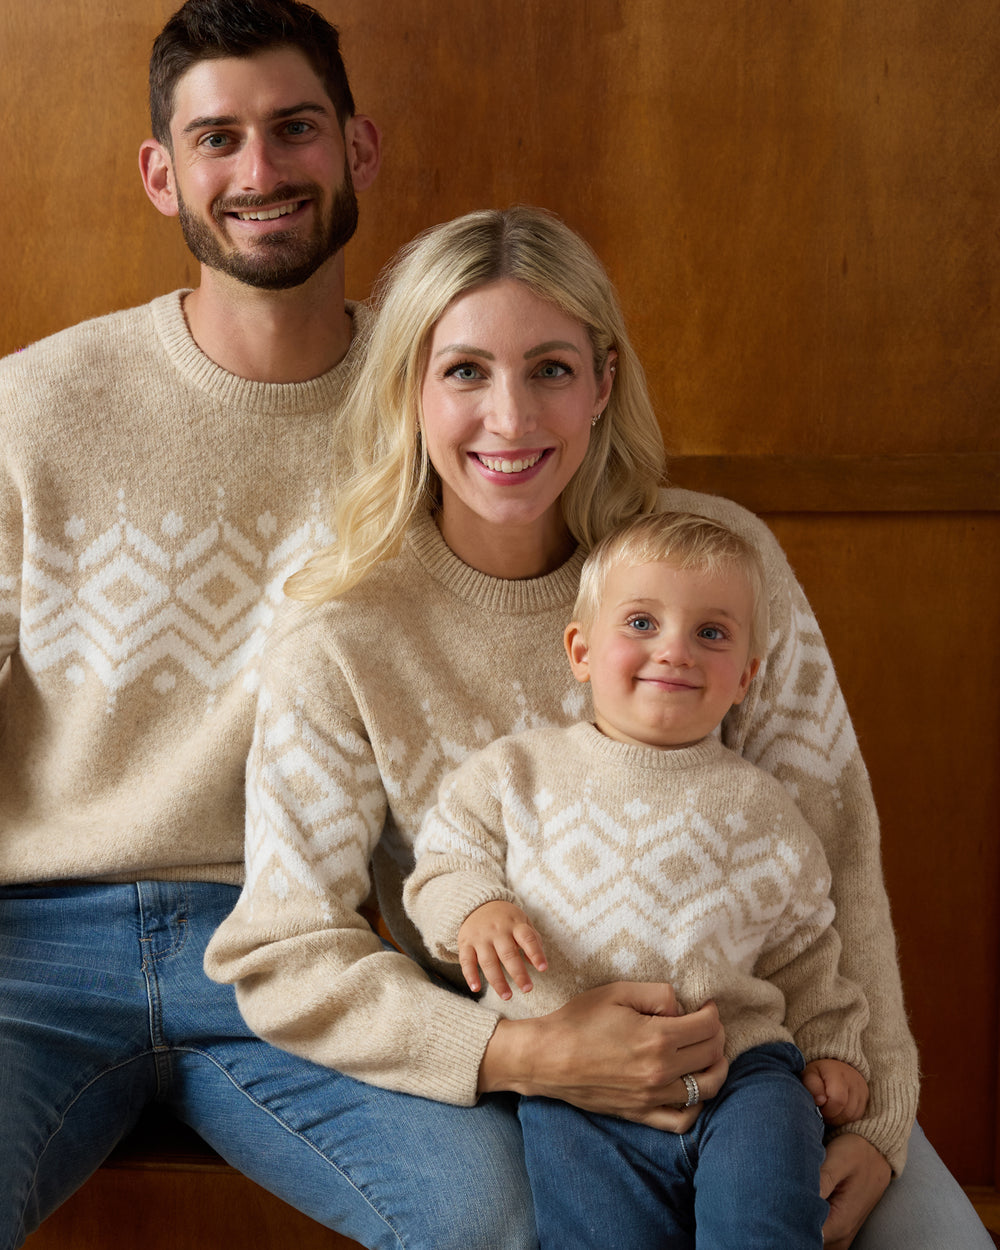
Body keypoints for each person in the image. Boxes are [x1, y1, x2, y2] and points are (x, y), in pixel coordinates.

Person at [205, 204, 991, 1249]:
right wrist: (520, 1053)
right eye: (465, 371)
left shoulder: (716, 567)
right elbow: (286, 951)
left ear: (603, 382)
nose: (511, 417)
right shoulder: (342, 627)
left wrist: (880, 1115)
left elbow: (832, 854)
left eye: (551, 369)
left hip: (767, 1073)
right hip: (537, 1090)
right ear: (409, 388)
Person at [0, 5, 540, 1248]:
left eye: (294, 128)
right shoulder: (37, 403)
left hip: (310, 942)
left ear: (358, 148)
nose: (259, 173)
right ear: (161, 173)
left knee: (497, 1220)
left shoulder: (455, 416)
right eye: (217, 138)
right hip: (30, 946)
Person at [404, 510, 873, 1247]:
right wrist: (476, 908)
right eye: (643, 623)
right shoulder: (513, 775)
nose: (675, 651)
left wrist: (834, 1047)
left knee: (764, 1217)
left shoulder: (764, 809)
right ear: (581, 650)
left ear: (747, 676)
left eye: (711, 634)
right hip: (580, 1088)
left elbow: (807, 949)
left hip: (743, 1071)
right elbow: (441, 867)